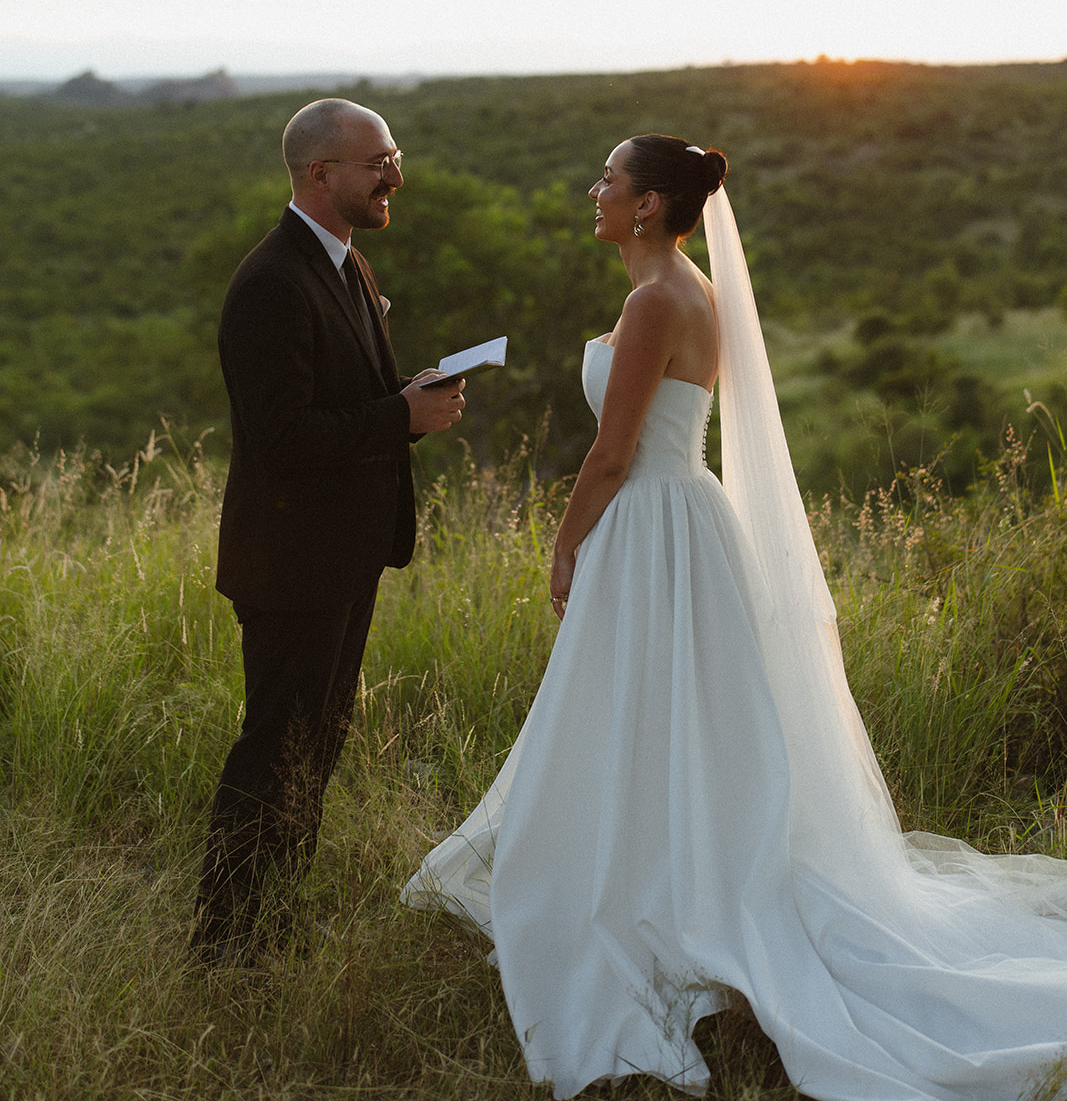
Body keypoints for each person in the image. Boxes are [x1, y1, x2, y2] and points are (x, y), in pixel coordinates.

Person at [403, 133, 1067, 1101]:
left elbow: (611, 453)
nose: (593, 190)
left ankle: (647, 896)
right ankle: (671, 874)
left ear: (646, 204)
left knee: (630, 711)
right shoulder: (684, 291)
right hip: (685, 523)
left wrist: (562, 543)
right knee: (672, 719)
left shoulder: (653, 301)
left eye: (609, 180)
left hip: (647, 528)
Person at [191, 97, 465, 966]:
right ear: (321, 174)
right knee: (276, 751)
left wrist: (404, 398)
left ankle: (271, 920)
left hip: (342, 557)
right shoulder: (272, 281)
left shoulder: (348, 263)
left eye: (395, 155)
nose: (394, 174)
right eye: (378, 159)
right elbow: (282, 439)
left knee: (315, 747)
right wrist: (400, 418)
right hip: (291, 562)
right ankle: (227, 947)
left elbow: (338, 400)